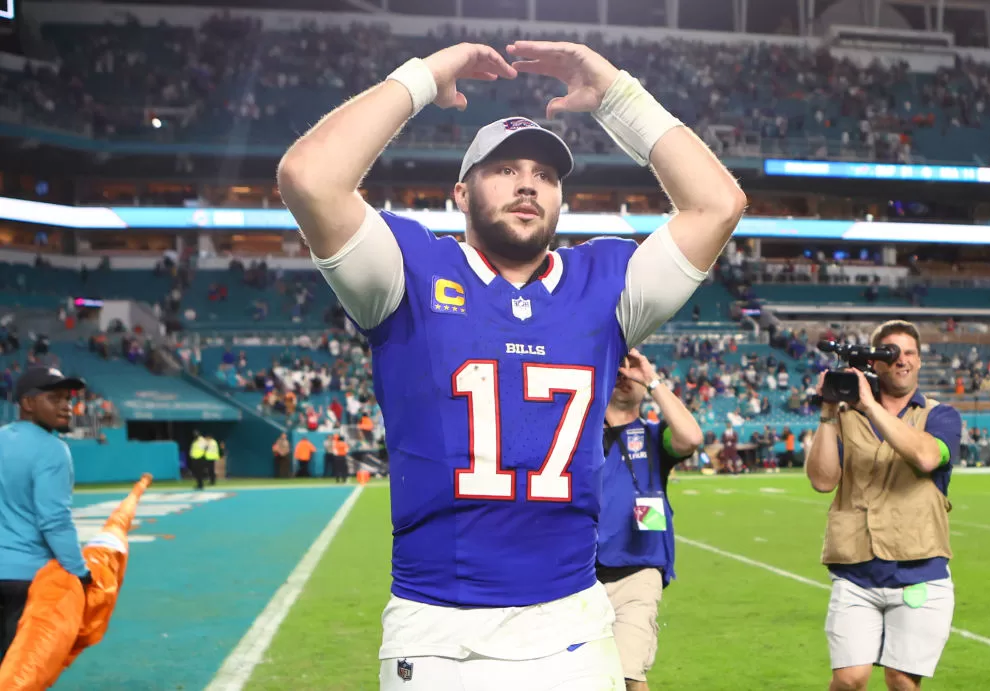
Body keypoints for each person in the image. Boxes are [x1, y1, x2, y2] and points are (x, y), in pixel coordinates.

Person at [278, 39, 745, 691]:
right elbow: (310, 175)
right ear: (461, 193)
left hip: (574, 622)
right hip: (438, 630)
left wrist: (615, 92)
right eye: (504, 168)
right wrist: (424, 77)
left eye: (547, 174)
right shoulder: (408, 271)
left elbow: (717, 204)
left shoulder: (603, 282)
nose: (529, 181)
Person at [805, 320, 962, 691]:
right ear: (874, 363)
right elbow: (823, 480)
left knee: (902, 682)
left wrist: (872, 407)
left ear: (920, 362)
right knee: (848, 679)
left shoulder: (941, 416)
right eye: (891, 353)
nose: (901, 360)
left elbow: (926, 457)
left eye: (909, 353)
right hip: (857, 570)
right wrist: (828, 414)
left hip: (919, 570)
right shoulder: (845, 417)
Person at [599, 349, 702, 690]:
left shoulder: (656, 436)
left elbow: (691, 438)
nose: (625, 375)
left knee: (630, 675)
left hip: (637, 572)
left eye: (632, 370)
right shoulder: (580, 434)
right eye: (618, 367)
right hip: (578, 573)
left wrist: (653, 380)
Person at [0, 367, 92, 662]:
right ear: (27, 403)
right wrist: (80, 572)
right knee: (18, 672)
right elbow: (54, 520)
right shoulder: (53, 450)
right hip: (26, 580)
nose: (66, 405)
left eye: (67, 398)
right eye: (55, 398)